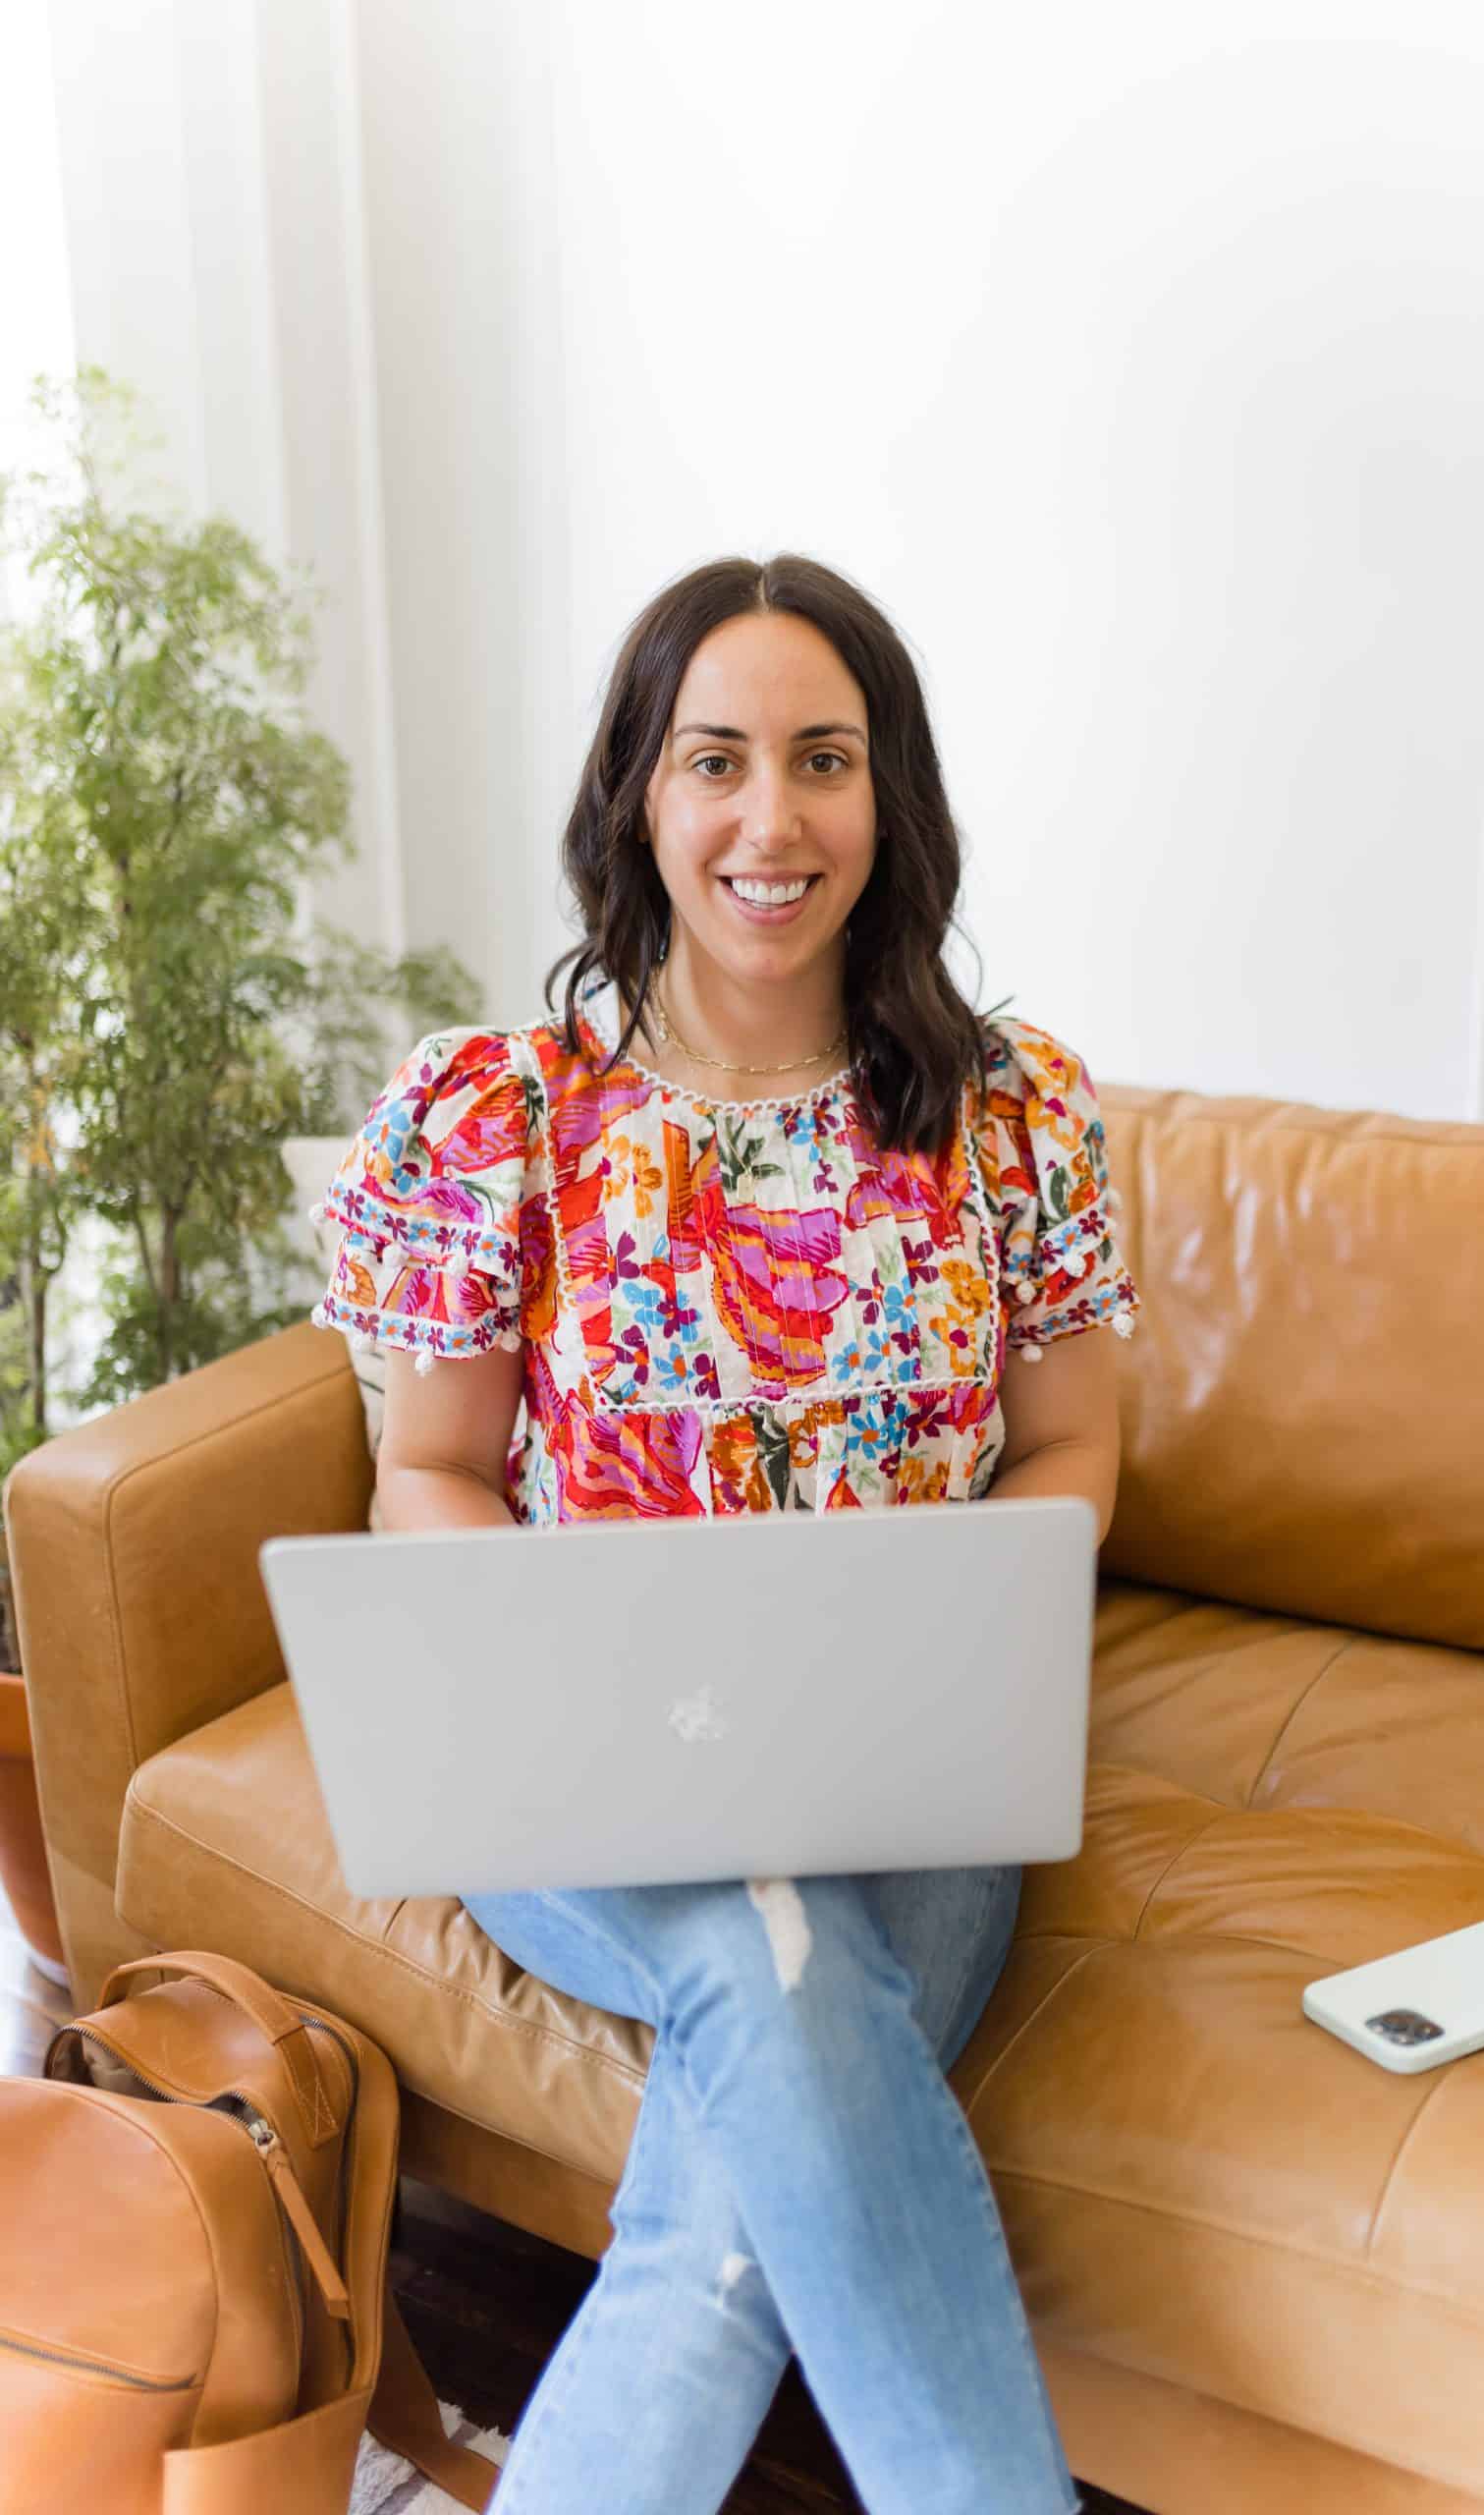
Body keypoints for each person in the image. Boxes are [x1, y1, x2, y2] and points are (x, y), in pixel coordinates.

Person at [310, 552, 1141, 2513]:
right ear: (640, 797)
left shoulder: (1013, 1119)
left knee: (715, 2220)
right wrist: (545, 1649)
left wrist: (972, 1612)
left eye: (823, 760)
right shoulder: (494, 1115)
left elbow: (1072, 1442)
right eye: (715, 760)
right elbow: (423, 1470)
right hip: (598, 1770)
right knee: (767, 1950)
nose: (770, 820)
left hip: (917, 1769)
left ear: (889, 799)